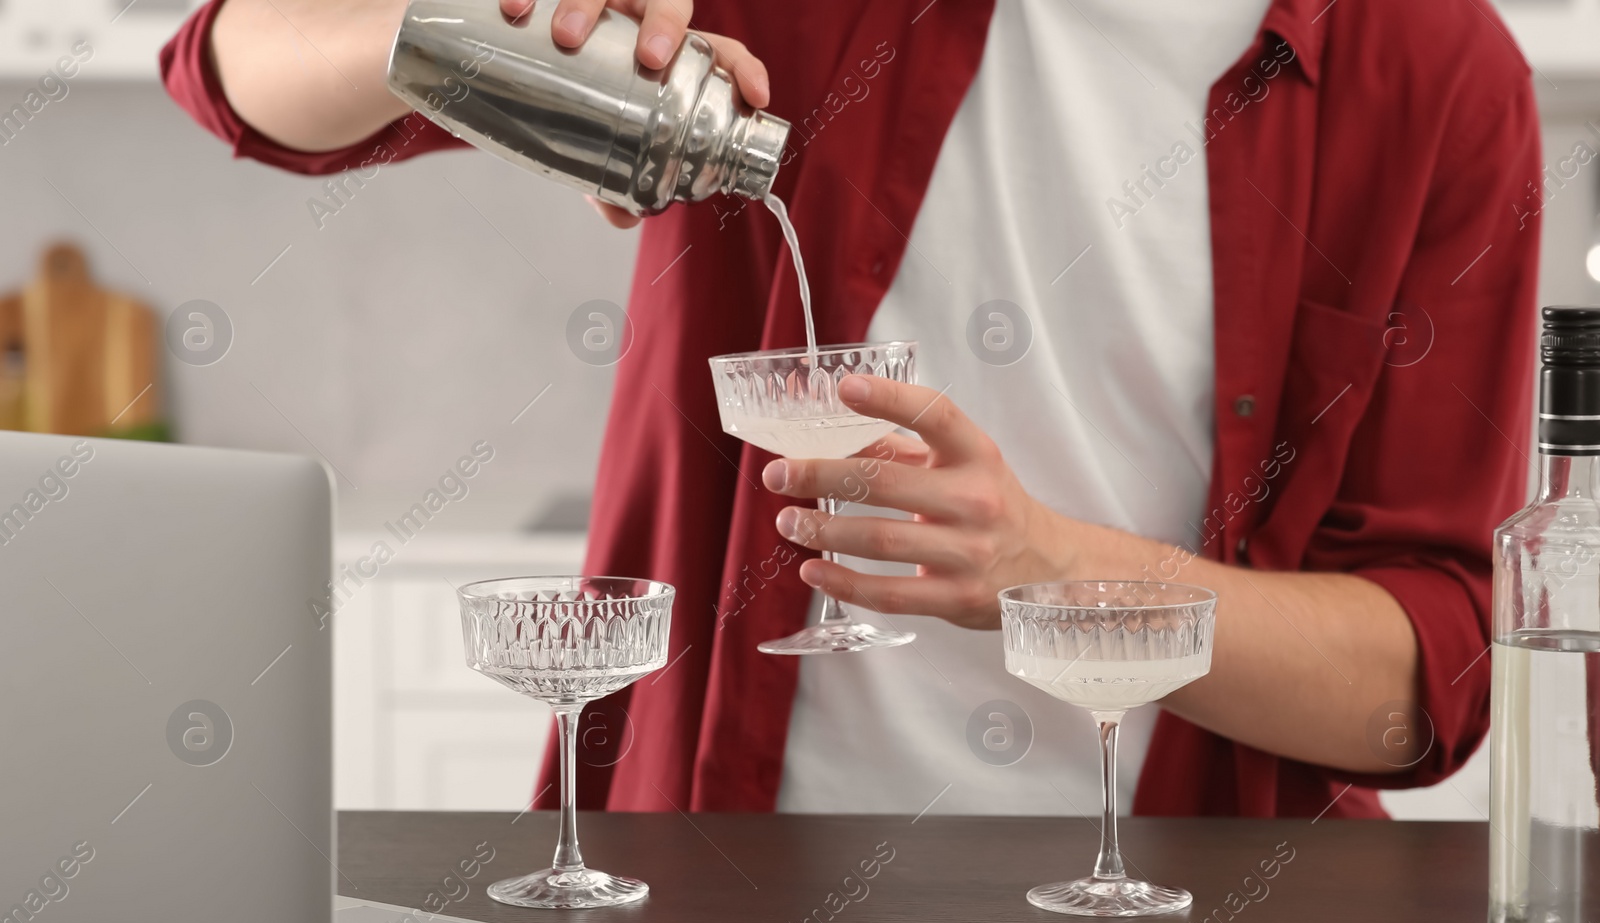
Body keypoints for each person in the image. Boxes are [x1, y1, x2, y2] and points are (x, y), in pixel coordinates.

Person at [162, 0, 1541, 819]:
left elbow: (1424, 684)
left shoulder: (1435, 70)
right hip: (704, 899)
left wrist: (1046, 572)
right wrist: (465, 17)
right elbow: (232, 71)